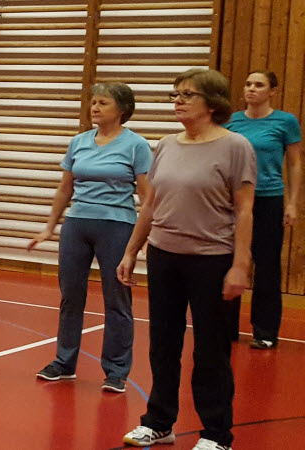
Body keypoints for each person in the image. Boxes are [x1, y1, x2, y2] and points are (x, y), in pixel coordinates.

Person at [116, 69, 253, 450]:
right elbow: (151, 203)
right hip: (164, 256)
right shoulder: (166, 144)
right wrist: (132, 250)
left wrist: (240, 265)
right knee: (163, 344)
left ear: (212, 103)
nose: (178, 100)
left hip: (212, 259)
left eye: (188, 94)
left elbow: (245, 210)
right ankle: (159, 422)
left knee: (211, 350)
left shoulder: (236, 146)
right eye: (175, 94)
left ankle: (216, 434)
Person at [27, 82, 151, 394]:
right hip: (77, 225)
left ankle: (116, 371)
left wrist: (144, 237)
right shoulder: (79, 141)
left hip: (117, 225)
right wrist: (49, 227)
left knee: (116, 298)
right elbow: (65, 188)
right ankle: (64, 362)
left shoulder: (136, 145)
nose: (94, 108)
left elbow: (148, 197)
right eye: (93, 102)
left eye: (103, 103)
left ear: (122, 110)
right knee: (70, 295)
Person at [224, 70, 301, 350]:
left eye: (259, 85)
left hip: (269, 199)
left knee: (267, 265)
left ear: (272, 91)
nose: (251, 89)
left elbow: (294, 163)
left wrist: (292, 202)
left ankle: (265, 331)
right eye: (248, 84)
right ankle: (226, 328)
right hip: (234, 201)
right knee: (228, 261)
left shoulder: (285, 122)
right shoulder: (232, 121)